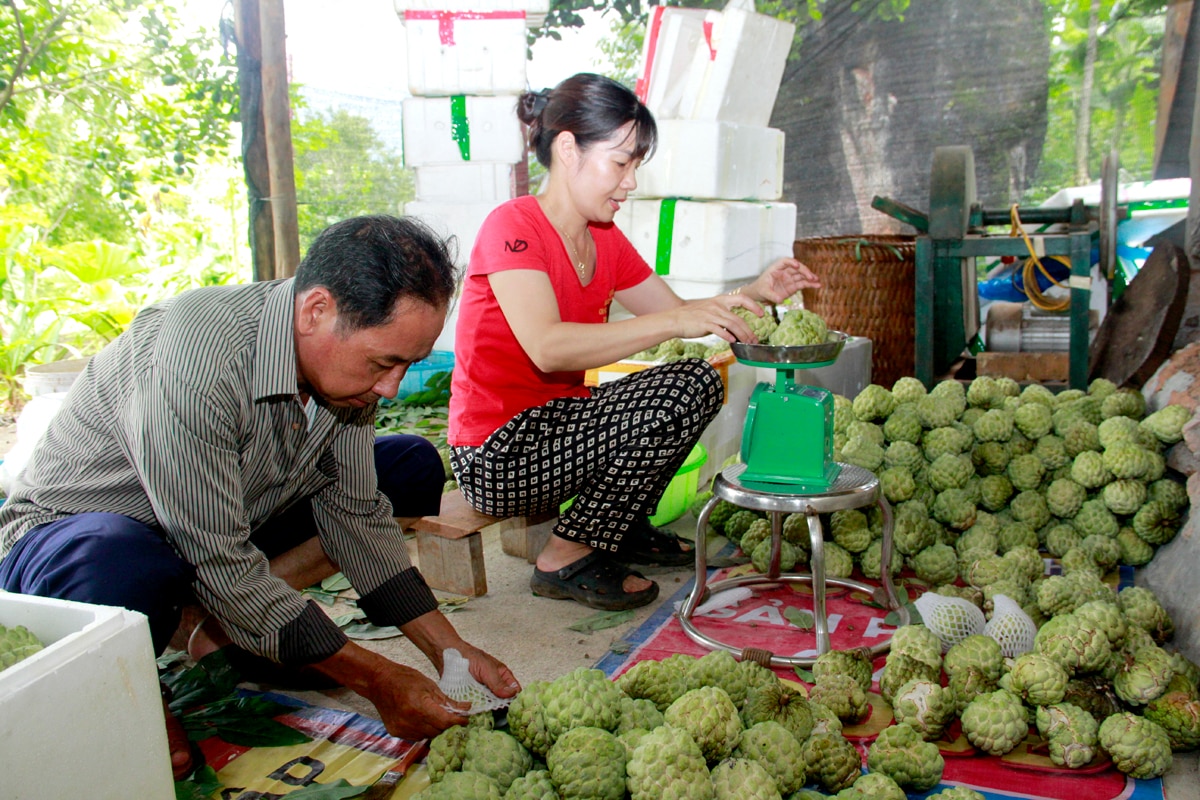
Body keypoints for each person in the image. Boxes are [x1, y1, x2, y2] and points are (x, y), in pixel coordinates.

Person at [0, 215, 519, 779]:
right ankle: (159, 664)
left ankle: (227, 622)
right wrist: (376, 679)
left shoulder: (341, 377)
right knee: (124, 561)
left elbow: (356, 516)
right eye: (382, 363)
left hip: (223, 517)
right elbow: (215, 556)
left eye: (407, 364)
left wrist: (450, 650)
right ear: (315, 310)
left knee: (408, 465)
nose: (391, 387)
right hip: (75, 542)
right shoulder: (197, 356)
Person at [448, 73, 821, 613]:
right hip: (497, 454)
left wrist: (755, 293)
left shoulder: (604, 237)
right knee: (675, 392)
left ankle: (618, 530)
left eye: (635, 166)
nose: (630, 182)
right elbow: (548, 348)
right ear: (569, 148)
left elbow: (677, 313)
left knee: (694, 383)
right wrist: (676, 324)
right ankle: (564, 557)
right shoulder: (514, 226)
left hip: (561, 427)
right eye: (621, 163)